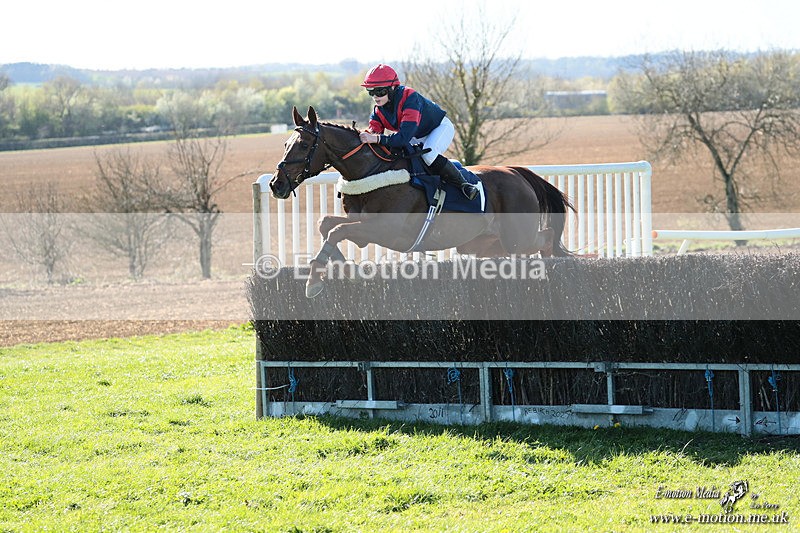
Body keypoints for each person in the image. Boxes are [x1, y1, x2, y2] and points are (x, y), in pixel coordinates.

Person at [358, 64, 478, 200]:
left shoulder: (410, 98)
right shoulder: (378, 110)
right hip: (414, 134)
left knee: (429, 155)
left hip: (439, 128)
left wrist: (378, 139)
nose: (375, 97)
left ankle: (464, 185)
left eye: (379, 92)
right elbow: (372, 134)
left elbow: (402, 138)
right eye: (371, 92)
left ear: (392, 88)